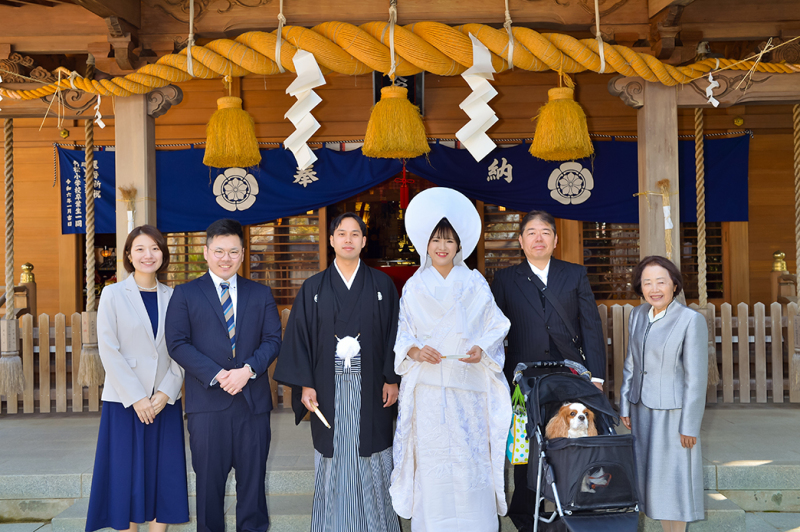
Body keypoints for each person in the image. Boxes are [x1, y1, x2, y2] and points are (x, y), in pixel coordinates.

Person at [390, 188, 512, 531]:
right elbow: (403, 332)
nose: (442, 247)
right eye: (435, 240)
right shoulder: (414, 287)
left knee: (470, 460)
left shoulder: (474, 283)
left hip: (467, 386)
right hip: (429, 388)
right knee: (433, 462)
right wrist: (415, 350)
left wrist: (483, 349)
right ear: (425, 245)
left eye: (449, 241)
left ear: (460, 246)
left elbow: (497, 323)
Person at [274, 212, 402, 532]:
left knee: (372, 459)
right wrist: (305, 385)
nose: (348, 239)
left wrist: (392, 378)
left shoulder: (382, 284)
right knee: (334, 458)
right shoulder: (314, 287)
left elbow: (395, 335)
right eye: (341, 234)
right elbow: (299, 337)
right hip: (327, 388)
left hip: (372, 386)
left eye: (354, 234)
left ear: (363, 241)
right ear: (331, 240)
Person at [490, 210, 606, 531]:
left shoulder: (574, 274)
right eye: (531, 232)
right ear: (521, 241)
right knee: (525, 445)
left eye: (545, 232)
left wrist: (595, 376)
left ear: (555, 240)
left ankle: (572, 507)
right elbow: (494, 330)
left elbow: (591, 327)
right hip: (521, 378)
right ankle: (526, 514)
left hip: (568, 377)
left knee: (570, 439)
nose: (538, 238)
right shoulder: (505, 279)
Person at [165, 219, 282, 532]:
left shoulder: (260, 293)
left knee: (253, 486)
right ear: (206, 252)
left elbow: (273, 339)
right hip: (207, 406)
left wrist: (247, 371)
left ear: (243, 254)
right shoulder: (186, 294)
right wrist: (218, 374)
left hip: (252, 406)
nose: (225, 258)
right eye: (219, 251)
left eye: (233, 252)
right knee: (208, 488)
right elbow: (177, 344)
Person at [86, 225, 188, 532]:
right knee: (125, 477)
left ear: (163, 255)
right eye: (140, 249)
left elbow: (183, 349)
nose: (148, 255)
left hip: (164, 403)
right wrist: (137, 398)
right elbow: (109, 349)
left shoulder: (176, 296)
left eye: (155, 248)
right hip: (125, 403)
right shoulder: (113, 294)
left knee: (164, 476)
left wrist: (166, 393)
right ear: (129, 255)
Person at [619, 255, 708, 532]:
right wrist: (624, 404)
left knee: (675, 484)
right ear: (640, 286)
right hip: (641, 411)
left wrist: (690, 425)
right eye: (647, 282)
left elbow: (696, 379)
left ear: (674, 285)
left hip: (674, 415)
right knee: (652, 483)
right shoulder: (637, 315)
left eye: (661, 281)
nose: (654, 289)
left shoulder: (690, 320)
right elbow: (631, 363)